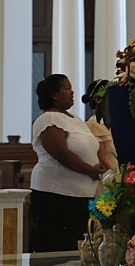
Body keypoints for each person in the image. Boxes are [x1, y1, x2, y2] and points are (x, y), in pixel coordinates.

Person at [30, 74, 107, 252]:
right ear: (54, 94)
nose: (72, 92)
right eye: (67, 88)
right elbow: (61, 153)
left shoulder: (75, 119)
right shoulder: (48, 119)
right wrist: (90, 170)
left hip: (79, 197)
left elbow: (91, 147)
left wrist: (100, 166)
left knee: (77, 249)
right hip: (55, 197)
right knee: (56, 250)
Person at [82, 78, 119, 193]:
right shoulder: (93, 125)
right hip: (108, 179)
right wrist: (114, 178)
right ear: (98, 99)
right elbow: (101, 158)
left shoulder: (112, 123)